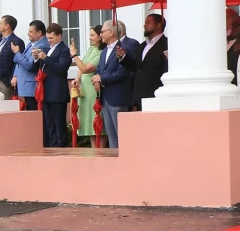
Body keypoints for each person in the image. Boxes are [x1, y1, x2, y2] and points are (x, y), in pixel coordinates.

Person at [93, 20, 132, 148]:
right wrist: (96, 79)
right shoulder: (104, 51)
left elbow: (122, 73)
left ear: (111, 32)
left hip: (118, 98)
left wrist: (101, 79)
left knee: (121, 135)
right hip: (105, 98)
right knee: (112, 137)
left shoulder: (122, 49)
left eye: (103, 32)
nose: (100, 34)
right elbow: (99, 69)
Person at [117, 13, 168, 109]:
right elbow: (137, 68)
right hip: (139, 96)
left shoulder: (166, 45)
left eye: (148, 23)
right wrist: (123, 57)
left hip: (155, 95)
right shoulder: (142, 46)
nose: (144, 25)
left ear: (158, 25)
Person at [34, 23, 73, 148]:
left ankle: (62, 148)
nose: (49, 41)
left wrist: (45, 58)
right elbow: (45, 67)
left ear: (59, 36)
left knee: (59, 123)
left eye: (51, 38)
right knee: (49, 124)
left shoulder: (64, 50)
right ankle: (52, 148)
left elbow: (61, 68)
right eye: (48, 38)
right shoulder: (50, 49)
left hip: (57, 93)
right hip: (46, 92)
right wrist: (37, 58)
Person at [69, 25, 103, 142]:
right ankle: (94, 151)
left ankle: (100, 151)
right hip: (85, 90)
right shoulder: (91, 49)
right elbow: (81, 66)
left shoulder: (101, 52)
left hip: (93, 90)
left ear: (100, 36)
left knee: (96, 123)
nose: (90, 38)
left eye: (92, 35)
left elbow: (85, 68)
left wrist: (74, 55)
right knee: (88, 124)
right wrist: (77, 78)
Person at [12, 20, 47, 111]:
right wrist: (15, 75)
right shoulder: (32, 43)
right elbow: (23, 59)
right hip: (26, 85)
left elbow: (29, 65)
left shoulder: (42, 45)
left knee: (34, 113)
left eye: (31, 32)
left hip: (32, 86)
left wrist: (17, 53)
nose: (28, 34)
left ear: (39, 33)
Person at [0, 15, 24, 100]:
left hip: (4, 82)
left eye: (1, 23)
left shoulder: (16, 42)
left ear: (7, 26)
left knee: (3, 107)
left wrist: (12, 78)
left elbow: (18, 63)